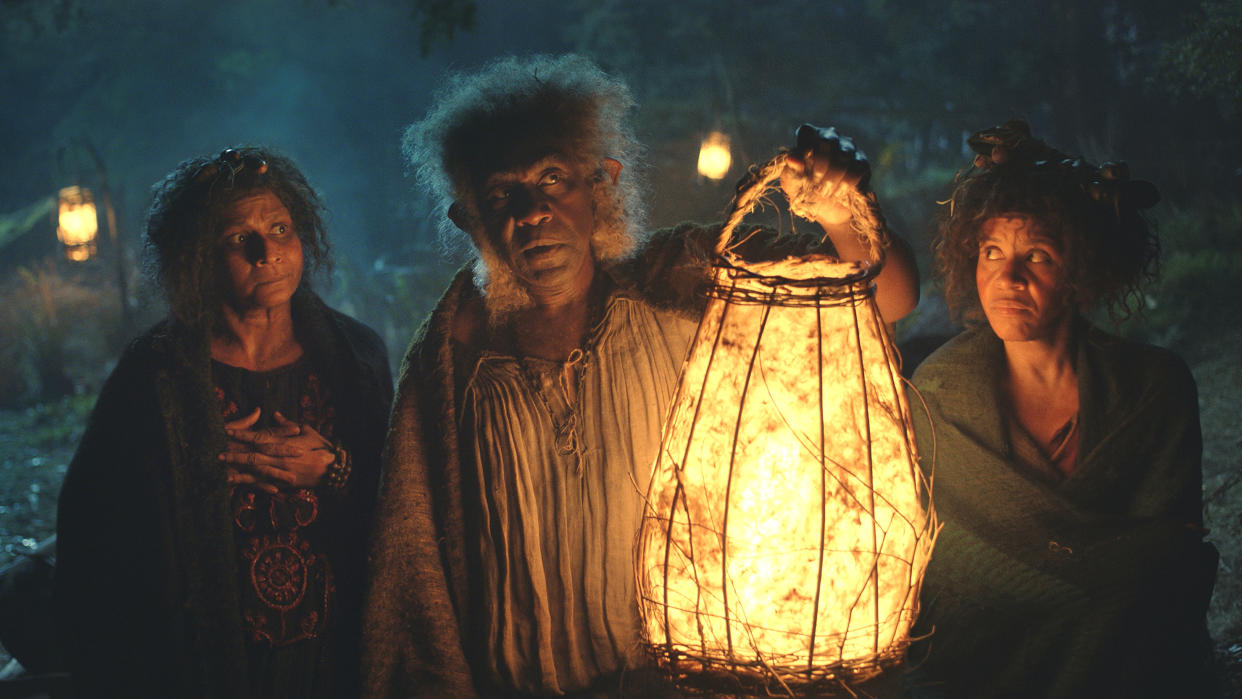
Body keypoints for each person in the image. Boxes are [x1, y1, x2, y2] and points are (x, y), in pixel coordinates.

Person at [362, 54, 919, 697]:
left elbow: (891, 298)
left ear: (600, 185)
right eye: (501, 194)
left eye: (554, 179)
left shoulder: (679, 280)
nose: (533, 211)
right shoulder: (450, 355)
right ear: (469, 217)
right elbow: (414, 569)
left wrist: (841, 208)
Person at [54, 147, 393, 698]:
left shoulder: (355, 359)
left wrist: (335, 468)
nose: (268, 252)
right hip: (197, 670)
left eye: (281, 228)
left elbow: (405, 505)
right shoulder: (154, 376)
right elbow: (94, 535)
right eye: (239, 238)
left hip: (337, 661)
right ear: (198, 256)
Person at [906, 120, 1217, 697]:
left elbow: (1168, 551)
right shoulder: (942, 390)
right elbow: (950, 561)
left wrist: (1094, 582)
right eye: (991, 251)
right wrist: (1088, 584)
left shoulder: (1155, 386)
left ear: (1080, 272)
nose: (1008, 276)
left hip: (1129, 643)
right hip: (987, 644)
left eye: (1039, 255)